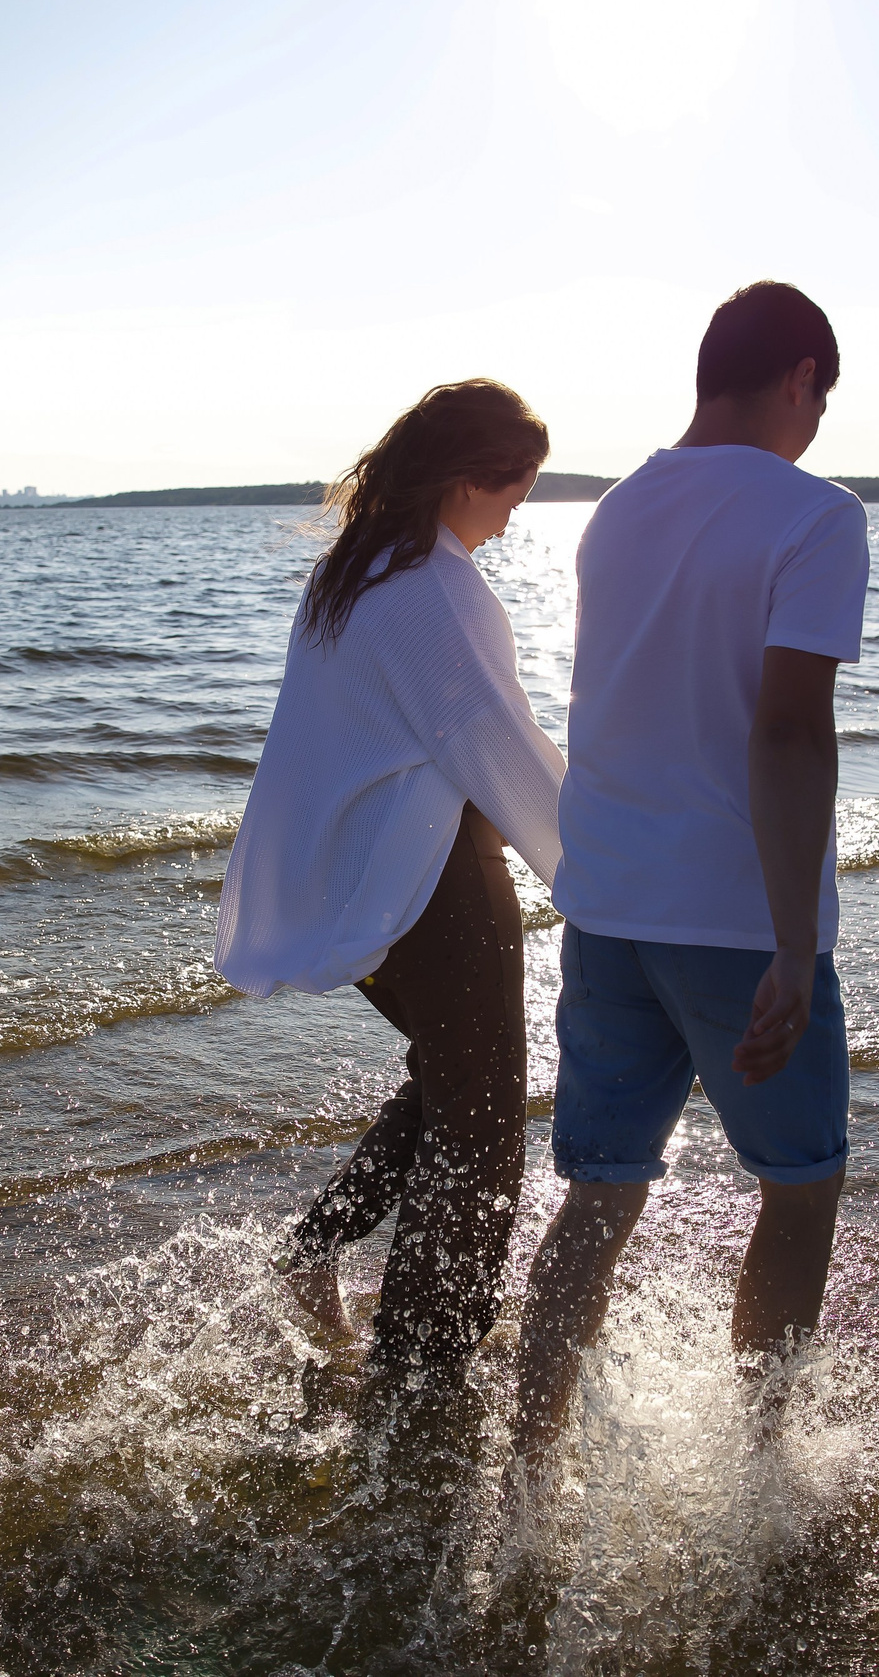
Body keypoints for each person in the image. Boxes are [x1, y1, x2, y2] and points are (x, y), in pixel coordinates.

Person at [511, 282, 868, 1453]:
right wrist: (793, 944)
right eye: (823, 396)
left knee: (599, 1199)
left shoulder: (617, 508)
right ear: (798, 376)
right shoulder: (816, 515)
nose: (818, 420)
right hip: (730, 921)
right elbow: (787, 732)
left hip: (606, 907)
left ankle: (524, 1470)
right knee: (800, 1186)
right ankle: (760, 1466)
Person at [214, 378, 565, 1373]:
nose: (507, 525)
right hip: (428, 884)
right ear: (466, 482)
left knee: (454, 1084)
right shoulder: (431, 587)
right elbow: (496, 746)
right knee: (486, 1111)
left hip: (369, 888)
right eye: (509, 499)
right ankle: (423, 1353)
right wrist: (610, 875)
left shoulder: (361, 572)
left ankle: (318, 1250)